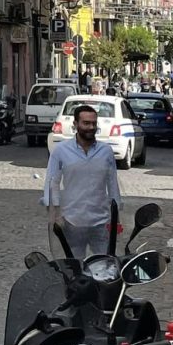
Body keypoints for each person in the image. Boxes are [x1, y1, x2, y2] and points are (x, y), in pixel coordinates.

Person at [43, 104, 123, 259]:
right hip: (72, 222)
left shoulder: (106, 151)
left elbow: (113, 184)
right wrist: (55, 216)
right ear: (75, 124)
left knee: (105, 266)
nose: (91, 127)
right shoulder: (61, 151)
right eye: (86, 123)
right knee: (75, 268)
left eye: (93, 123)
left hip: (101, 221)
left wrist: (117, 217)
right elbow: (52, 184)